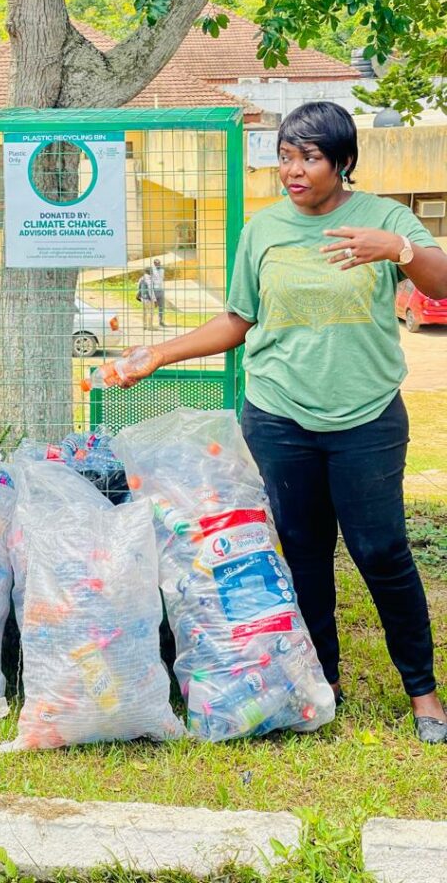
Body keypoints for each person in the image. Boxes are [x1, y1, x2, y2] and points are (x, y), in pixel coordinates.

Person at [119, 101, 447, 743]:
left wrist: (399, 249)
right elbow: (237, 320)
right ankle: (322, 680)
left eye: (310, 157)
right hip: (279, 417)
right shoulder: (263, 230)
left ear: (343, 162)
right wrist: (158, 353)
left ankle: (423, 692)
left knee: (382, 551)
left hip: (366, 416)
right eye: (285, 157)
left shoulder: (384, 218)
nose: (293, 170)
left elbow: (440, 282)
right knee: (301, 551)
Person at [150, 257, 166, 326]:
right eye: (156, 263)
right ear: (154, 264)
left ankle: (161, 321)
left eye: (159, 263)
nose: (158, 264)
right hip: (154, 290)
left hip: (161, 290)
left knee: (161, 307)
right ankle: (150, 322)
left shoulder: (162, 270)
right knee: (152, 307)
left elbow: (162, 278)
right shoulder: (152, 270)